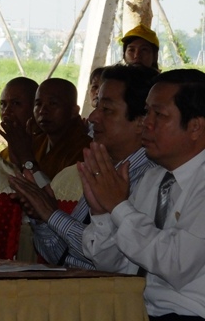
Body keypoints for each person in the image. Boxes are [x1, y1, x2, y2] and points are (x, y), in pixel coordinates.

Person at [82, 69, 205, 319]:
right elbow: (116, 263)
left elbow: (175, 264)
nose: (146, 123)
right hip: (137, 308)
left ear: (195, 127)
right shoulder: (154, 177)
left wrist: (119, 207)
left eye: (159, 115)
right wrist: (102, 213)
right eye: (147, 111)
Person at [9, 64, 157, 269]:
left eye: (106, 110)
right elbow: (59, 254)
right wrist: (42, 218)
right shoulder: (104, 169)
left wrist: (52, 214)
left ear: (141, 122)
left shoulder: (151, 177)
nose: (93, 117)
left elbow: (112, 259)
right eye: (96, 106)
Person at [1, 78, 91, 182]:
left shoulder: (85, 152)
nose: (42, 111)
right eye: (38, 104)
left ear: (74, 111)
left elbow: (47, 189)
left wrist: (27, 159)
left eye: (52, 103)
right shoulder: (37, 141)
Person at [0, 77, 39, 162]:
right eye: (3, 104)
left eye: (15, 103)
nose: (6, 111)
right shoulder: (3, 156)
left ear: (35, 107)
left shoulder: (47, 147)